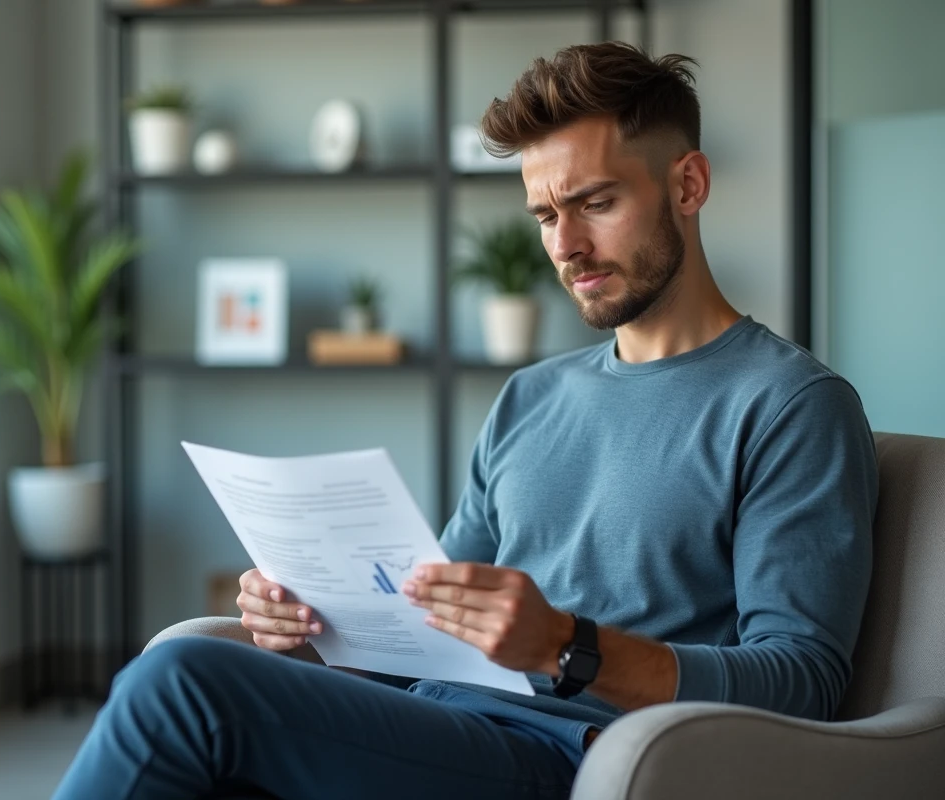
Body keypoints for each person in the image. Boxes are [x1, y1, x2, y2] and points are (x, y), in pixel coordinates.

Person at [53, 41, 877, 800]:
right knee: (192, 717)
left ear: (688, 185)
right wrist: (306, 627)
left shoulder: (790, 405)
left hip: (573, 756)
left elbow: (799, 680)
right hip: (435, 725)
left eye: (596, 202)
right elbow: (425, 627)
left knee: (184, 683)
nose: (567, 247)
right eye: (546, 217)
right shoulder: (531, 398)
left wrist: (565, 645)